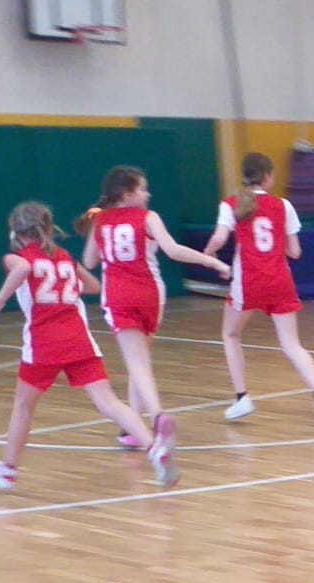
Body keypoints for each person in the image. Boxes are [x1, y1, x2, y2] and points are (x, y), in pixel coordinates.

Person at [0, 202, 179, 491]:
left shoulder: (19, 258)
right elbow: (94, 287)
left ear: (16, 233)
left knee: (23, 407)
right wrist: (68, 284)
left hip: (44, 344)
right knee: (109, 403)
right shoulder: (64, 258)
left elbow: (22, 268)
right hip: (78, 339)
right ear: (48, 228)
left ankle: (8, 470)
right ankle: (154, 448)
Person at [76, 165, 231, 451]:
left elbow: (89, 261)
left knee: (137, 364)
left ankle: (158, 415)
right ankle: (130, 430)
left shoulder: (101, 221)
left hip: (119, 296)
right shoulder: (149, 218)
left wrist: (97, 229)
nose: (147, 194)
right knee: (141, 361)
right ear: (127, 193)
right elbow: (173, 251)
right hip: (150, 294)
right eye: (143, 189)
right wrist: (212, 262)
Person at [202, 152, 314, 431]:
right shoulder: (283, 205)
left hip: (248, 282)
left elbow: (219, 237)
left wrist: (209, 253)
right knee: (291, 344)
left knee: (230, 334)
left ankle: (242, 397)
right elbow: (295, 252)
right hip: (279, 280)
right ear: (268, 177)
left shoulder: (231, 204)